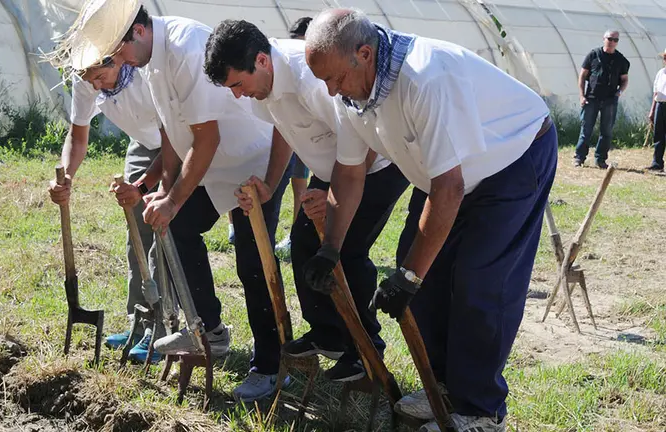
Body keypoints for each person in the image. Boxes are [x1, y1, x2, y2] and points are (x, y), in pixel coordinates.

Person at [303, 8, 557, 432]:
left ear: (364, 54)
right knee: (420, 264)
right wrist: (331, 247)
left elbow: (449, 191)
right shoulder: (353, 93)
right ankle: (444, 386)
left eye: (335, 79)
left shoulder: (424, 78)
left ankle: (480, 408)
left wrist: (408, 278)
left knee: (480, 280)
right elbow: (348, 172)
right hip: (448, 171)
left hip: (512, 156)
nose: (331, 91)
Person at [49, 0, 291, 402]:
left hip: (252, 159)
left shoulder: (184, 46)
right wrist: (162, 188)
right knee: (177, 227)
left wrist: (174, 198)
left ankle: (271, 365)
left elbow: (206, 138)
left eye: (120, 51)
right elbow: (172, 135)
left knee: (252, 263)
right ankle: (208, 331)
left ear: (138, 33)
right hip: (213, 165)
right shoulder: (149, 62)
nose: (120, 62)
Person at [203, 19, 410, 381]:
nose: (236, 94)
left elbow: (363, 140)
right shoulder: (262, 89)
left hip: (376, 165)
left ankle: (366, 350)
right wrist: (270, 184)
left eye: (238, 83)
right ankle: (330, 336)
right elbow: (285, 130)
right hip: (335, 167)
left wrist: (332, 197)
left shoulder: (312, 78)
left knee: (347, 248)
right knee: (302, 244)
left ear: (263, 61)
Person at [46, 55, 164, 364]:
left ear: (117, 60)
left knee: (163, 230)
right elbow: (78, 135)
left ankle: (162, 329)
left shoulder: (148, 73)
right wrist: (67, 176)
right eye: (90, 79)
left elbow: (178, 144)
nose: (95, 86)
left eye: (101, 77)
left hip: (176, 144)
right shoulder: (87, 77)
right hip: (143, 142)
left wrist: (142, 188)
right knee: (137, 230)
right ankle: (138, 323)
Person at [274, 16, 314, 255]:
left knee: (301, 184)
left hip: (309, 135)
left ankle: (297, 233)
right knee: (286, 182)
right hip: (290, 131)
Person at [574, 30, 630, 169]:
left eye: (615, 40)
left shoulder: (621, 60)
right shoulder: (593, 55)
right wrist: (582, 95)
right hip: (591, 98)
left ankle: (600, 159)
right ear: (604, 39)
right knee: (586, 130)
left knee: (606, 131)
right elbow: (582, 76)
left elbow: (624, 79)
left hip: (610, 100)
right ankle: (579, 158)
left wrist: (619, 92)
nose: (612, 42)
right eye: (610, 39)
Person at [646, 48, 666, 172]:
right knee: (658, 135)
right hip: (660, 105)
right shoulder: (661, 73)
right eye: (665, 57)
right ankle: (657, 163)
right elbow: (656, 93)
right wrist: (652, 110)